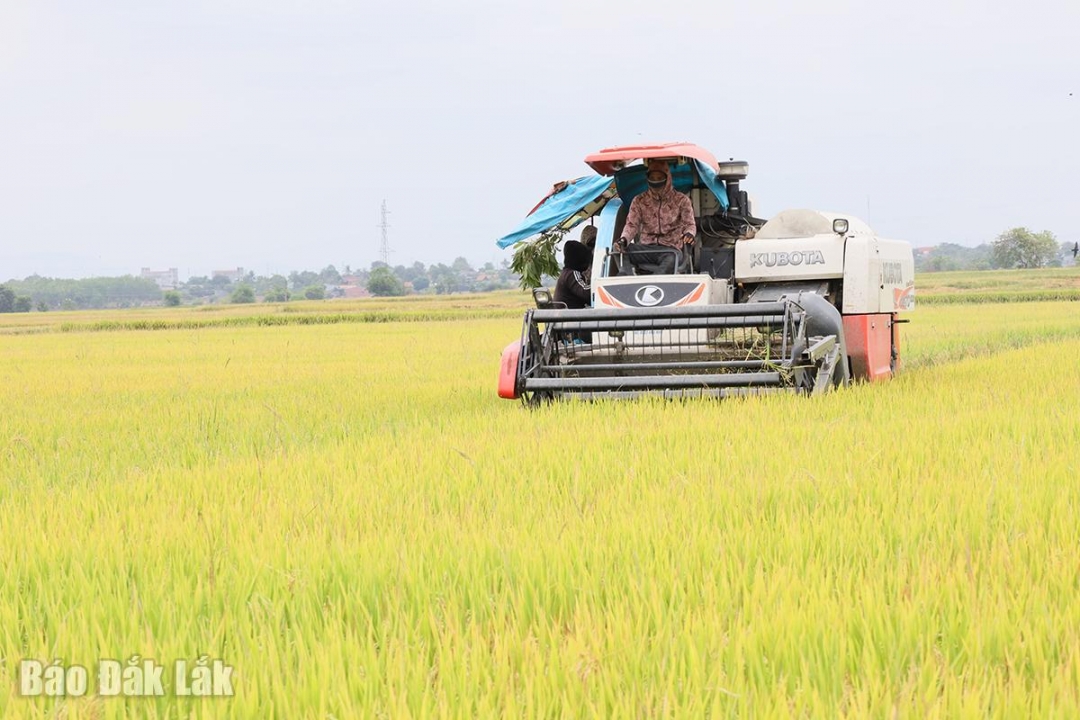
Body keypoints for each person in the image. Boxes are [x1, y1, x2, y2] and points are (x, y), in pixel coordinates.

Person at [618, 159, 696, 260]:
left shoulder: (682, 200)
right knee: (621, 251)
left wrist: (689, 234)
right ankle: (627, 270)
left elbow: (689, 224)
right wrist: (624, 239)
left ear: (667, 178)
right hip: (646, 248)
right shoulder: (639, 200)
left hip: (671, 249)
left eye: (659, 178)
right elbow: (632, 225)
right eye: (652, 178)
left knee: (671, 260)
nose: (656, 181)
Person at [554, 240, 592, 310]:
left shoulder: (565, 273)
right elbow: (586, 293)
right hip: (569, 314)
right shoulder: (572, 274)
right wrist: (599, 284)